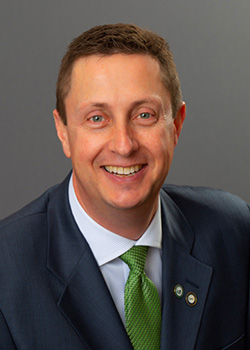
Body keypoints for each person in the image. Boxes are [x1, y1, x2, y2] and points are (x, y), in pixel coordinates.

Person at [0, 23, 249, 350]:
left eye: (144, 115)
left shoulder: (234, 231)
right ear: (63, 131)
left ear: (176, 124)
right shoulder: (6, 269)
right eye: (97, 118)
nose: (123, 144)